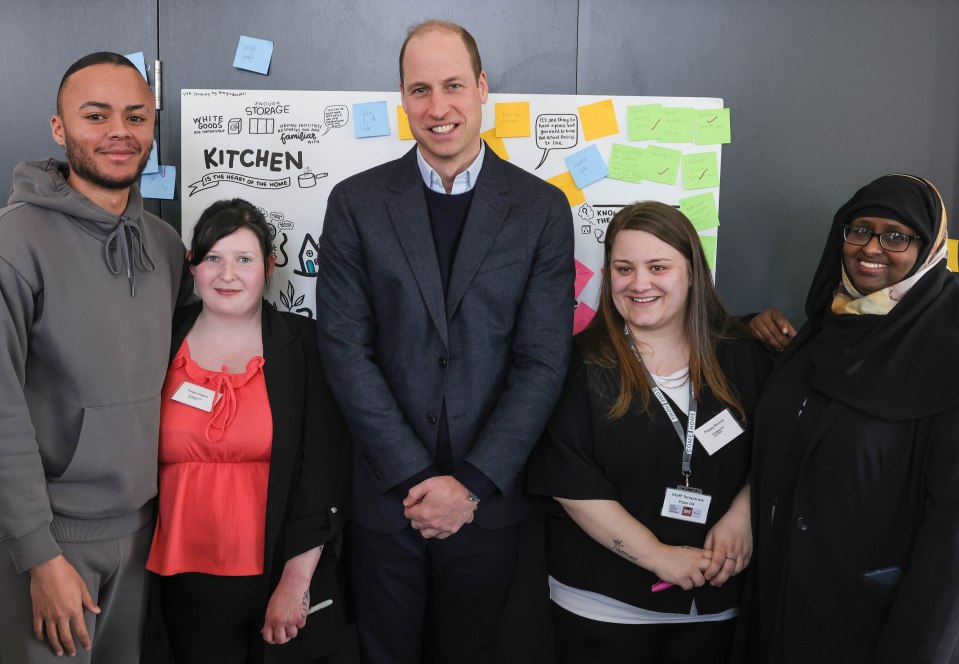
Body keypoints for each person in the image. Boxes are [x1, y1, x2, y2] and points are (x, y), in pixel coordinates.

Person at [314, 19, 574, 664]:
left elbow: (542, 358)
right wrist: (416, 477)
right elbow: (345, 349)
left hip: (490, 503)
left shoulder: (541, 209)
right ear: (402, 99)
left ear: (482, 89)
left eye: (453, 85)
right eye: (420, 89)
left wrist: (473, 483)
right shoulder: (355, 203)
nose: (438, 107)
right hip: (385, 500)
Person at [0, 52, 191, 661]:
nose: (119, 132)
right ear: (59, 129)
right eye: (95, 115)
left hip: (144, 536)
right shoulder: (14, 244)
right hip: (48, 546)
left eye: (136, 116)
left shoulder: (163, 245)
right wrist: (38, 553)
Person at [527, 202, 772, 663]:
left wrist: (744, 516)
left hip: (714, 601)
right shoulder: (576, 364)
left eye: (658, 267)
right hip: (603, 608)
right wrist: (660, 556)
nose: (640, 283)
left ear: (692, 272)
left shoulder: (743, 356)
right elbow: (570, 482)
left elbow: (777, 451)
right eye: (624, 268)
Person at [748, 174, 959, 663]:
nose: (872, 248)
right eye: (859, 229)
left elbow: (951, 539)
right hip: (780, 602)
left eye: (896, 236)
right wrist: (745, 328)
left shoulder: (948, 350)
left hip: (873, 622)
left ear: (928, 248)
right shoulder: (825, 332)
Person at [145, 199, 349, 663]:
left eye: (244, 259)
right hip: (180, 579)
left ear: (269, 267)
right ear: (192, 266)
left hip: (277, 573)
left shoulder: (304, 345)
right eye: (212, 257)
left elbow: (323, 471)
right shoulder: (161, 337)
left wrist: (295, 583)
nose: (227, 274)